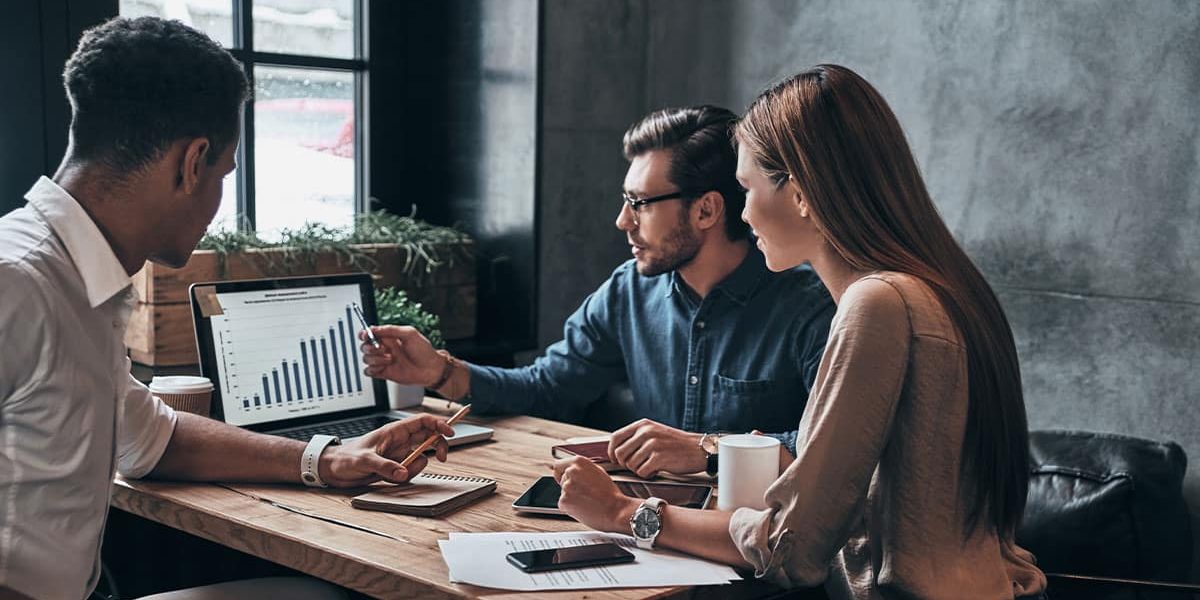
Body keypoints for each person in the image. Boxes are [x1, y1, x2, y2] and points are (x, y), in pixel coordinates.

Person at [551, 65, 1049, 600]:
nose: (742, 213)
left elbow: (793, 547)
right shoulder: (942, 287)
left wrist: (623, 511)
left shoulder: (877, 304)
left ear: (801, 192)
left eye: (746, 189)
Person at [0, 17, 455, 600]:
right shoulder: (18, 282)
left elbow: (154, 438)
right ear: (192, 163)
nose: (219, 200)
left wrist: (328, 458)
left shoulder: (78, 280)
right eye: (224, 172)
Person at [361, 106, 834, 479]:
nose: (622, 220)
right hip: (646, 526)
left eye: (639, 203)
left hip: (759, 543)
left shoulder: (811, 306)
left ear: (706, 211)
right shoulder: (629, 291)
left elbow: (832, 450)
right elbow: (549, 388)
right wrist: (439, 370)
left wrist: (707, 449)